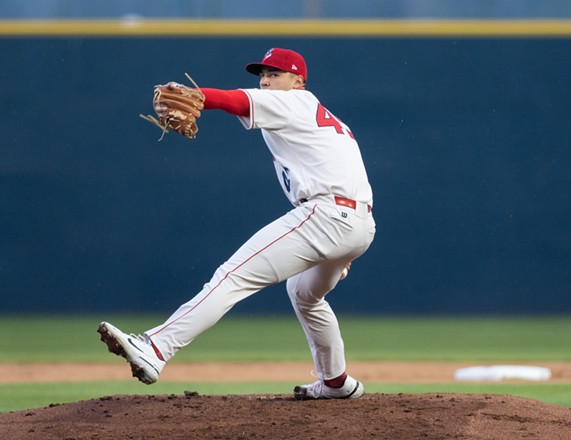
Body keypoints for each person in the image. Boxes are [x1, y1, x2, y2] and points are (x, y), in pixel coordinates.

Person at [98, 48, 376, 399]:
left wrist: (199, 97)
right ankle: (336, 381)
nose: (265, 80)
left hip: (327, 217)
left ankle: (155, 348)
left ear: (298, 81)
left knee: (232, 277)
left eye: (275, 73)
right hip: (358, 223)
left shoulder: (293, 102)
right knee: (304, 293)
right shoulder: (328, 120)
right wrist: (345, 244)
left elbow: (236, 101)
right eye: (263, 74)